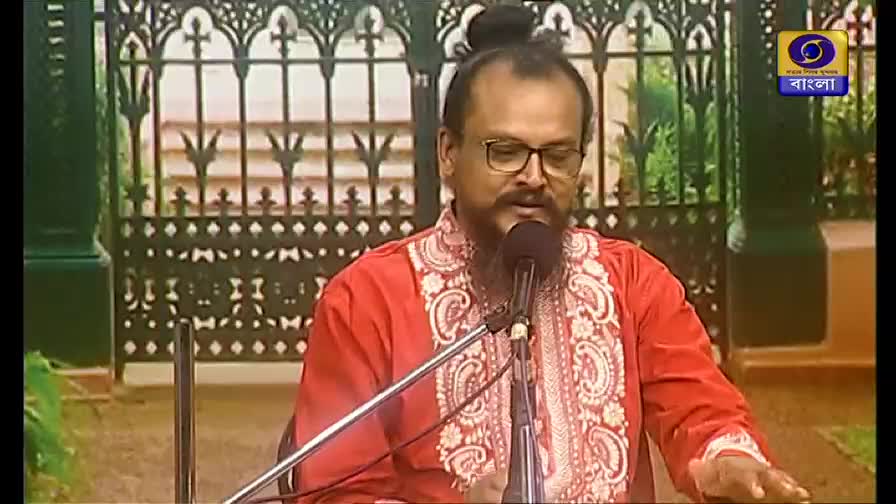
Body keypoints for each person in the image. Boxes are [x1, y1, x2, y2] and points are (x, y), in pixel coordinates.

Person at [292, 5, 811, 503]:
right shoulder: (366, 301)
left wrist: (726, 462)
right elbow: (335, 490)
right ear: (448, 154)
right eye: (506, 151)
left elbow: (702, 410)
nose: (534, 177)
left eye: (558, 155)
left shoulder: (631, 282)